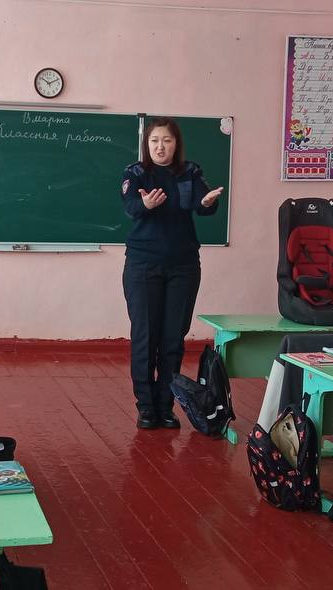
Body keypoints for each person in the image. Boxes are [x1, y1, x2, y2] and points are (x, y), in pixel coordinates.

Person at [120, 117, 224, 429]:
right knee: (145, 336)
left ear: (176, 144)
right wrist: (146, 205)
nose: (160, 147)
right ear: (147, 144)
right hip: (143, 265)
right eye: (155, 141)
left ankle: (166, 406)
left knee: (172, 339)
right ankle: (146, 407)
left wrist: (208, 202)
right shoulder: (136, 173)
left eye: (166, 140)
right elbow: (130, 207)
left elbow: (203, 203)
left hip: (183, 266)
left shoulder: (190, 172)